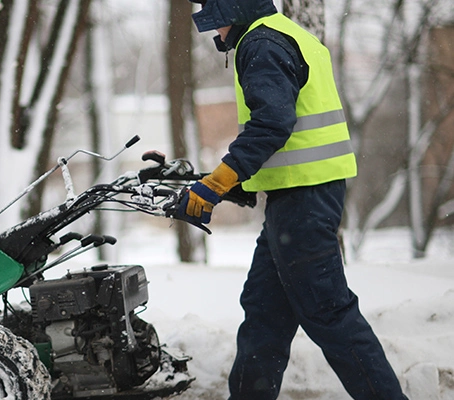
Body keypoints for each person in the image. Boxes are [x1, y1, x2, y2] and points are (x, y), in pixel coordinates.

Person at [170, 0, 409, 398]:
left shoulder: (261, 44)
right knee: (266, 313)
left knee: (329, 312)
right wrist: (233, 186)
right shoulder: (284, 34)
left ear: (234, 12)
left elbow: (271, 124)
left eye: (217, 22)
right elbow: (289, 131)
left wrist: (215, 184)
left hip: (305, 201)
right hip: (299, 198)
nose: (216, 33)